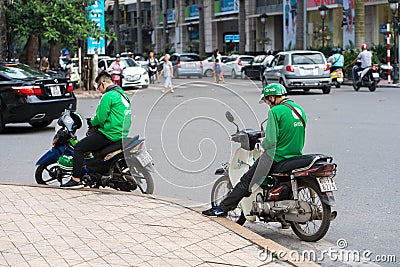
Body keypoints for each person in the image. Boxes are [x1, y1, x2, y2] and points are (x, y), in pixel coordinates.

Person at [202, 83, 306, 228]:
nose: (268, 105)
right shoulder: (299, 109)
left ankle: (222, 208)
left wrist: (263, 145)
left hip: (276, 157)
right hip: (295, 156)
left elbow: (271, 140)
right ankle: (283, 218)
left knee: (246, 181)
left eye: (267, 102)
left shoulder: (275, 111)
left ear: (271, 97)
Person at [61, 71, 131, 188]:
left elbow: (100, 117)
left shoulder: (108, 96)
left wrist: (92, 122)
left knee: (79, 148)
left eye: (98, 87)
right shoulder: (123, 95)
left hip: (110, 134)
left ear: (103, 83)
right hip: (121, 133)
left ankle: (75, 179)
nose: (99, 90)